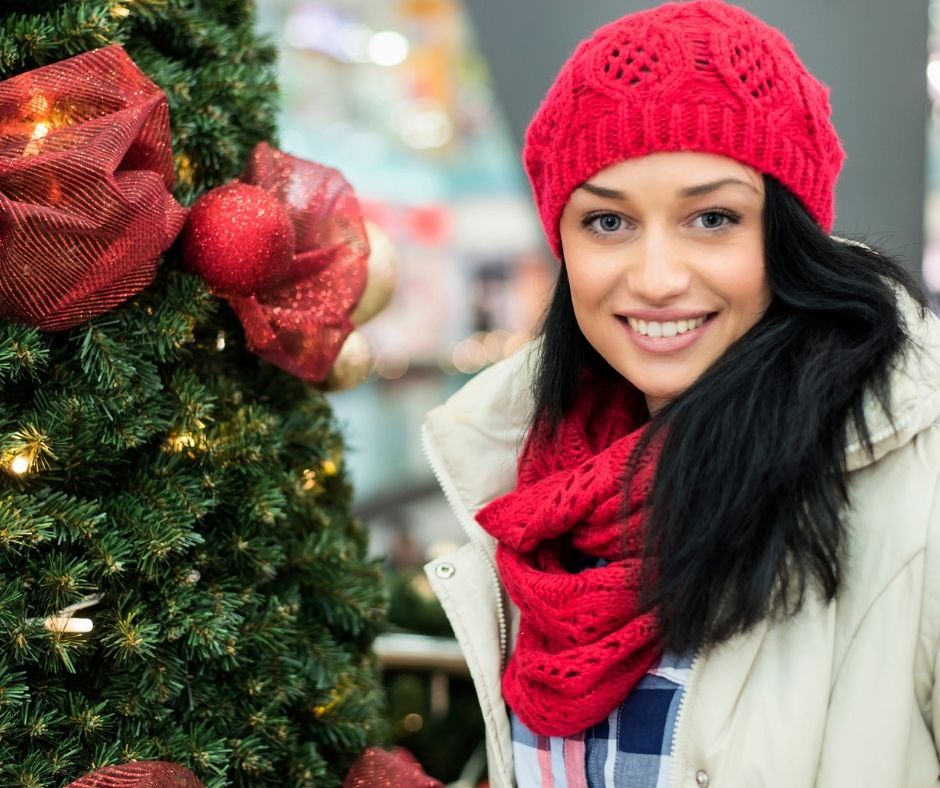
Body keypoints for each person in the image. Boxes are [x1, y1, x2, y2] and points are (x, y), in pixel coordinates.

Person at [421, 1, 940, 786]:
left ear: (789, 235)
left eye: (712, 217)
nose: (658, 279)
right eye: (607, 223)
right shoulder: (536, 497)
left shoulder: (917, 493)